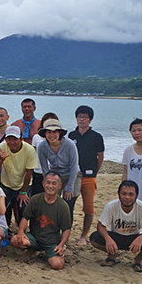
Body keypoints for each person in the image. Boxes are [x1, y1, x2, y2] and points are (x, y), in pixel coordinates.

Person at [90, 180, 142, 272]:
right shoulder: (111, 206)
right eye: (124, 194)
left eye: (131, 194)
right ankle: (112, 255)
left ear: (136, 196)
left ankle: (138, 259)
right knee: (94, 238)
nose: (127, 197)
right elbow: (100, 226)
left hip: (134, 238)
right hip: (116, 237)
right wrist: (107, 238)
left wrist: (141, 238)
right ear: (118, 194)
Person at [11, 172, 72, 270]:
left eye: (54, 183)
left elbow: (66, 229)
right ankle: (32, 248)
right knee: (15, 240)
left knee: (57, 265)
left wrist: (61, 245)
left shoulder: (63, 206)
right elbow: (25, 218)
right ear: (43, 183)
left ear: (60, 185)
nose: (50, 186)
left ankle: (54, 253)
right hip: (35, 237)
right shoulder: (35, 199)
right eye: (48, 183)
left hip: (52, 242)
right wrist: (21, 232)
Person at [68, 105, 105, 246]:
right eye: (79, 116)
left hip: (89, 177)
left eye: (85, 117)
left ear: (90, 120)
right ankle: (66, 234)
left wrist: (95, 171)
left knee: (88, 208)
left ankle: (83, 236)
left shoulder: (96, 137)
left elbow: (100, 156)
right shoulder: (72, 135)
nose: (82, 119)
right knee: (69, 206)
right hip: (73, 176)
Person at [0, 126, 37, 226]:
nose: (12, 142)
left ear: (21, 139)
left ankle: (20, 232)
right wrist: (0, 160)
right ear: (5, 139)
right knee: (5, 210)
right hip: (6, 184)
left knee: (22, 210)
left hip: (23, 184)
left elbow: (29, 172)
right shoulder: (1, 147)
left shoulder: (29, 150)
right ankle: (6, 232)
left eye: (15, 139)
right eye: (9, 139)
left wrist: (23, 191)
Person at [37, 119, 79, 219]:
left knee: (68, 205)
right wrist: (48, 183)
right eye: (49, 132)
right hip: (54, 175)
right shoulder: (42, 146)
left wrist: (70, 186)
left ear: (60, 133)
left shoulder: (69, 144)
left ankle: (66, 231)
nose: (52, 135)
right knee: (52, 203)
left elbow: (74, 166)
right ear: (45, 133)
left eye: (55, 132)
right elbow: (45, 168)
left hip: (72, 175)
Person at [30, 112, 59, 196]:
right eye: (46, 122)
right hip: (38, 172)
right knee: (37, 197)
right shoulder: (36, 137)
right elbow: (33, 154)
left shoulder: (58, 139)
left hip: (53, 171)